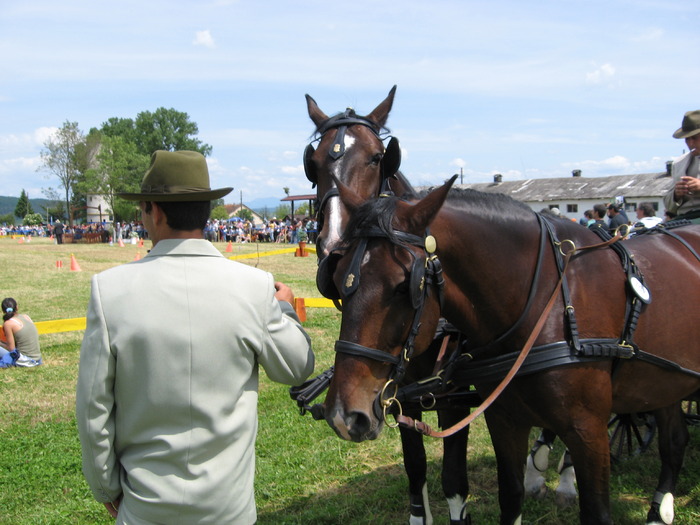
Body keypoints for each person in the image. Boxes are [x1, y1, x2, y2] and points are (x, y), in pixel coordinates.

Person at [75, 150, 315, 525]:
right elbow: (297, 367)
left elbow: (93, 411)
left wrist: (106, 488)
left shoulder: (109, 291)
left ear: (154, 210)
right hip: (229, 510)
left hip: (144, 507)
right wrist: (283, 308)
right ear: (206, 209)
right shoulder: (253, 287)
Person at [663, 109, 700, 223]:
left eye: (695, 138)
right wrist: (676, 195)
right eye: (687, 139)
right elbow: (668, 205)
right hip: (683, 218)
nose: (690, 143)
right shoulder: (679, 163)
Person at [0, 297, 42, 367]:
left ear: (3, 311)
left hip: (24, 360)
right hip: (38, 359)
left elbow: (12, 349)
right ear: (17, 307)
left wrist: (1, 343)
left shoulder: (8, 324)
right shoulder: (26, 317)